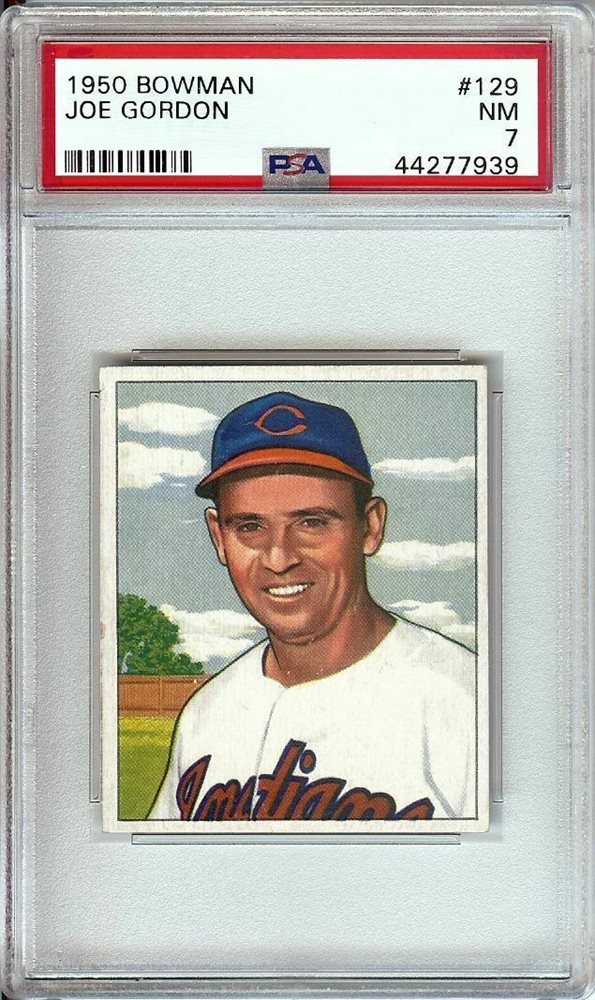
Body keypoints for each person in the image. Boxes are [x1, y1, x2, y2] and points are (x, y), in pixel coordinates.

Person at [149, 391, 476, 824]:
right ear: (219, 538)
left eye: (311, 522)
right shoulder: (205, 715)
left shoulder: (467, 703)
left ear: (370, 526)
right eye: (250, 526)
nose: (279, 558)